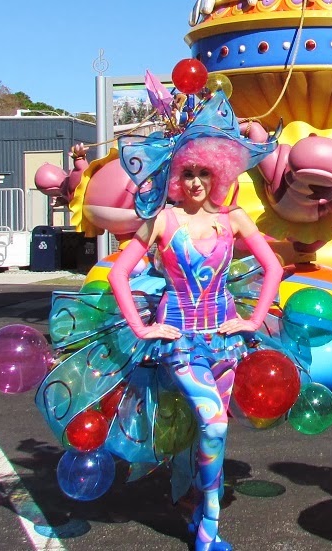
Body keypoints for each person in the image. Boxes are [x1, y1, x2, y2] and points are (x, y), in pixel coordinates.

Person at [107, 91, 283, 551]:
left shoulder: (234, 219)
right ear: (177, 177)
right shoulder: (162, 221)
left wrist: (254, 319)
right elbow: (119, 274)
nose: (197, 181)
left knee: (212, 426)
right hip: (180, 339)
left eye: (205, 172)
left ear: (218, 173)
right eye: (189, 172)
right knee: (214, 421)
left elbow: (274, 267)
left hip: (225, 338)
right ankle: (208, 523)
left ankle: (197, 510)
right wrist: (143, 329)